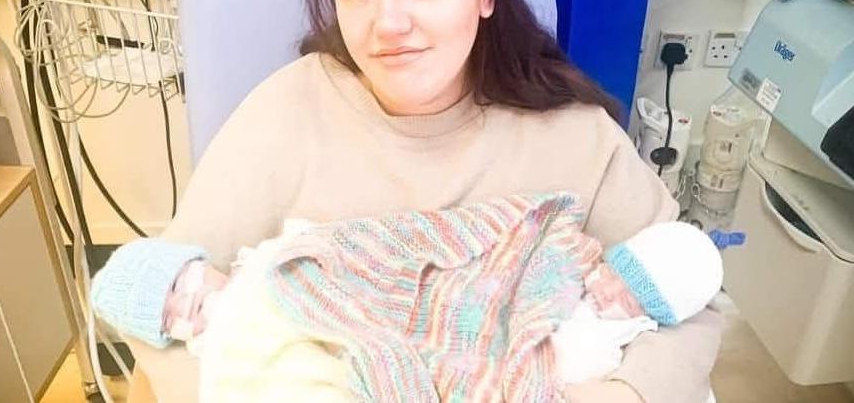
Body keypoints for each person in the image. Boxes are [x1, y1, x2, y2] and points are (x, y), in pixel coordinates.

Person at [124, 0, 722, 401]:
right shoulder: (286, 111)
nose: (388, 23)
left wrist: (622, 394)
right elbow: (161, 300)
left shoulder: (575, 136)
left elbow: (690, 303)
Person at [97, 202, 720, 401]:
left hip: (452, 298)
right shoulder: (222, 353)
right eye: (167, 319)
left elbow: (369, 253)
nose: (184, 308)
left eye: (179, 286)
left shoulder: (271, 257)